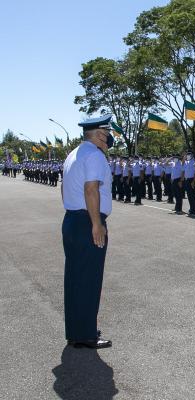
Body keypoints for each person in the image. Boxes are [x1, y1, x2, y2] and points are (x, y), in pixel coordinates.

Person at [61, 114, 114, 349]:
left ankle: (77, 330)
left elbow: (63, 188)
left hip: (72, 220)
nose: (110, 137)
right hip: (87, 222)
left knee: (75, 278)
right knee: (89, 279)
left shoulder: (74, 153)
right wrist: (96, 223)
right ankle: (86, 335)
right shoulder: (94, 155)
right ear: (100, 133)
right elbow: (91, 189)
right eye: (108, 132)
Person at [183, 150, 195, 216]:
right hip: (187, 180)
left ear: (192, 155)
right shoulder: (186, 162)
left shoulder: (194, 162)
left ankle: (193, 210)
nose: (188, 156)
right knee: (189, 195)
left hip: (192, 180)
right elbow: (182, 163)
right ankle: (191, 209)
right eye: (187, 155)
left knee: (192, 196)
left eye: (189, 154)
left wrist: (193, 181)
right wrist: (184, 156)